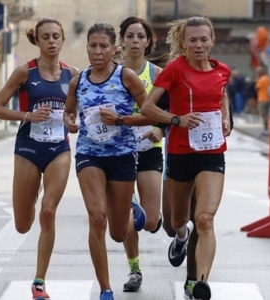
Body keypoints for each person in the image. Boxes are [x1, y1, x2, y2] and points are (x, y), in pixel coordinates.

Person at [0, 17, 79, 300]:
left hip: (58, 149)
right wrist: (27, 115)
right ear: (37, 41)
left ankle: (39, 282)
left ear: (63, 40)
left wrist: (73, 122)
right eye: (46, 37)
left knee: (48, 212)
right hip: (28, 147)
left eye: (56, 36)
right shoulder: (24, 72)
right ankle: (33, 189)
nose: (51, 41)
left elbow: (77, 114)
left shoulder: (73, 75)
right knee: (23, 224)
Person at [141, 16, 232, 300]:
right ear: (183, 43)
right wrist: (176, 120)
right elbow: (147, 107)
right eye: (192, 40)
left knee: (204, 218)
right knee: (177, 222)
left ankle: (199, 283)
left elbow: (222, 95)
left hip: (212, 154)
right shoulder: (174, 69)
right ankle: (181, 237)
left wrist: (226, 118)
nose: (199, 45)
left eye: (204, 39)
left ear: (212, 41)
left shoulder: (222, 71)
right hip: (180, 154)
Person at [63, 22, 150, 300]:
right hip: (89, 154)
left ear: (114, 49)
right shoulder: (78, 81)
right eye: (92, 45)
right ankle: (105, 288)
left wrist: (121, 120)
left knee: (117, 232)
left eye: (103, 46)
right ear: (86, 47)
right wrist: (71, 122)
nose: (97, 51)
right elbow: (68, 112)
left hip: (122, 155)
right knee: (97, 218)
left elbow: (151, 114)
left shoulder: (126, 77)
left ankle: (130, 209)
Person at [118, 16, 165, 292]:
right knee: (126, 221)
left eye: (140, 36)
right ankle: (134, 271)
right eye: (130, 36)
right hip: (119, 151)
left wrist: (160, 129)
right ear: (122, 40)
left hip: (149, 149)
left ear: (148, 42)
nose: (135, 41)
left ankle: (138, 208)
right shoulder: (113, 73)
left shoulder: (157, 74)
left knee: (148, 221)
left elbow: (170, 111)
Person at [255, 66, 270, 136]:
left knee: (264, 115)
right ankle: (267, 129)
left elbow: (257, 88)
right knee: (268, 115)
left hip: (262, 99)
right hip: (269, 99)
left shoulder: (260, 80)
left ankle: (265, 130)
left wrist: (257, 79)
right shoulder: (269, 78)